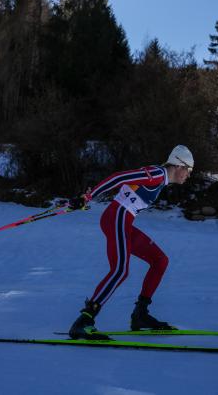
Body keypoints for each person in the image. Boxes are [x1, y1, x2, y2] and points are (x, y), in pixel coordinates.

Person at [66, 145, 194, 340]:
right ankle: (84, 321)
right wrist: (88, 196)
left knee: (160, 260)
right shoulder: (156, 174)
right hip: (116, 217)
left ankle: (140, 315)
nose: (189, 175)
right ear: (179, 165)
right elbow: (119, 177)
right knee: (119, 271)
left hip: (124, 221)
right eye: (189, 170)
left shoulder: (160, 179)